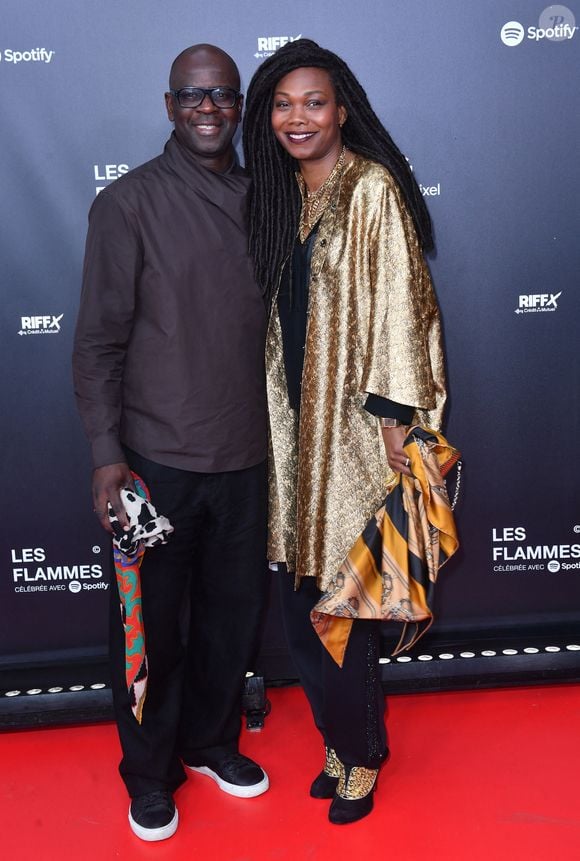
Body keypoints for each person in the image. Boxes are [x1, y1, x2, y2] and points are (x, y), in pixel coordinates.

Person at [243, 39, 447, 825]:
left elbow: (403, 303)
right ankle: (334, 737)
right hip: (293, 426)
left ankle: (363, 753)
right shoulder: (282, 192)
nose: (299, 117)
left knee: (347, 599)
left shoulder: (371, 190)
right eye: (284, 103)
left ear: (342, 109)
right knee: (299, 599)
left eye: (314, 102)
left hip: (358, 432)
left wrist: (400, 421)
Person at [73, 44, 270, 842]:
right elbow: (96, 344)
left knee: (231, 619)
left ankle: (213, 741)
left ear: (238, 106)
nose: (209, 107)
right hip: (152, 463)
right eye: (193, 95)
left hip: (249, 456)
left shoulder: (266, 199)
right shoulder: (127, 205)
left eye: (223, 94)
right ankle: (149, 776)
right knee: (149, 629)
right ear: (168, 105)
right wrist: (104, 454)